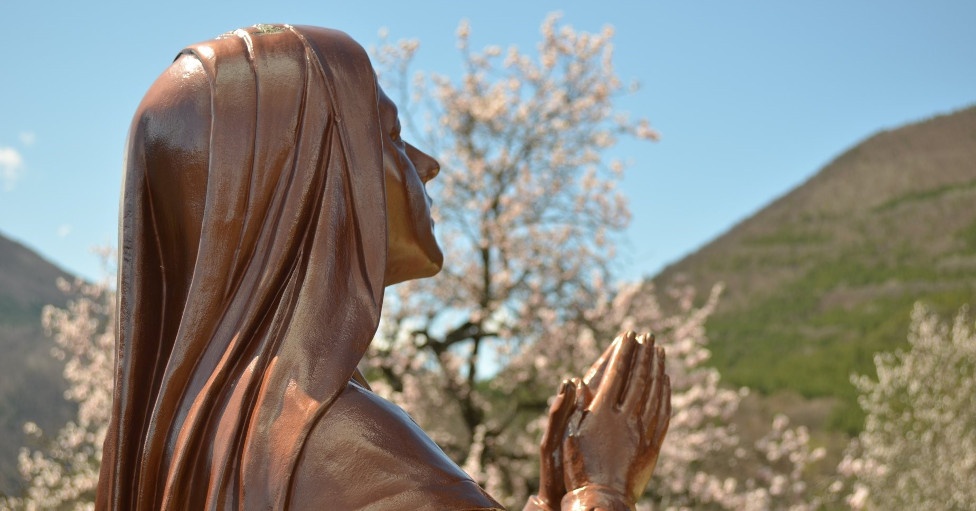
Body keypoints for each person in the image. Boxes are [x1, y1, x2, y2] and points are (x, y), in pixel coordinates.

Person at [97, 24, 669, 511]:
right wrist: (601, 488)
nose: (428, 164)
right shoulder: (352, 454)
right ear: (313, 182)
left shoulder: (180, 441)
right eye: (391, 136)